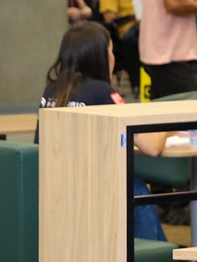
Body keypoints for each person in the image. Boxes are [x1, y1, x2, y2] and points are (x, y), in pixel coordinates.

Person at [39, 25, 167, 241]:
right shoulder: (103, 92)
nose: (113, 57)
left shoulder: (52, 90)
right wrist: (166, 126)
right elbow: (152, 147)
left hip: (55, 186)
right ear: (98, 57)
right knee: (137, 188)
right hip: (94, 187)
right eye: (110, 51)